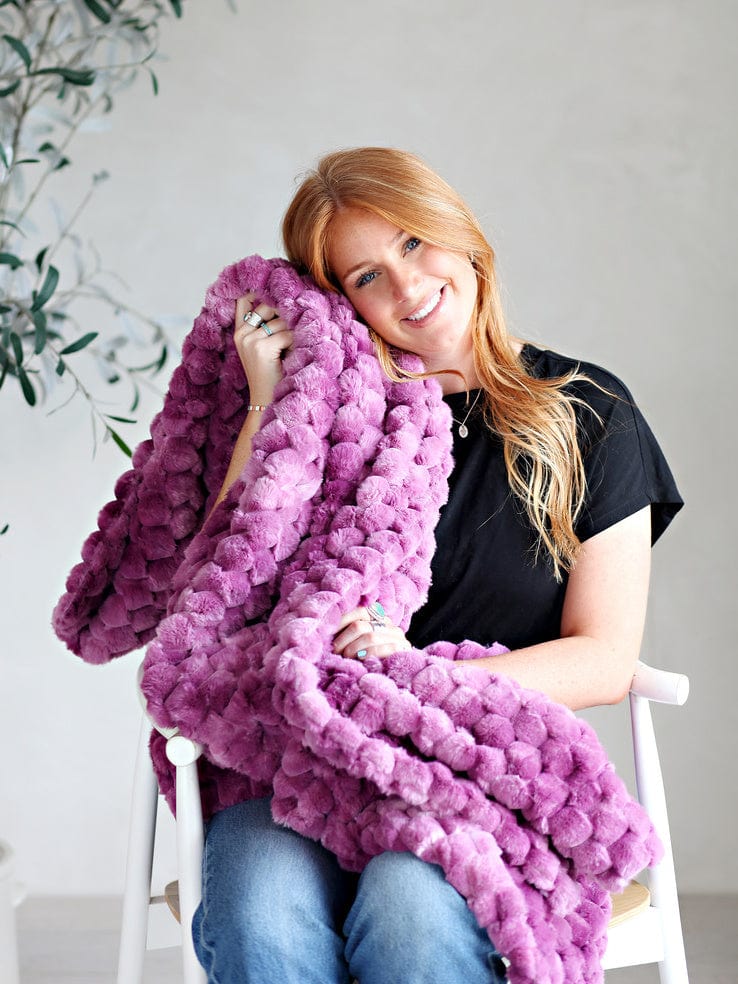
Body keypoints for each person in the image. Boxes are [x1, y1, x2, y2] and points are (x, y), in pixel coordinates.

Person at [191, 147, 683, 983]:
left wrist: (415, 681)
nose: (407, 287)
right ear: (338, 303)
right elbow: (214, 597)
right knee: (260, 912)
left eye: (414, 243)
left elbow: (603, 658)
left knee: (411, 910)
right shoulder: (336, 416)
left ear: (460, 233)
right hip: (308, 756)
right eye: (367, 276)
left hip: (482, 765)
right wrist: (271, 407)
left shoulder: (590, 415)